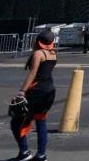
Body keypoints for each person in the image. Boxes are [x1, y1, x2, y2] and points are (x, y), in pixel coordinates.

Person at [11, 30, 57, 161]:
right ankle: (41, 155)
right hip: (50, 91)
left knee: (16, 122)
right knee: (41, 122)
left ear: (38, 41)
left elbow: (33, 74)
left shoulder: (38, 53)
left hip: (36, 91)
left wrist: (22, 91)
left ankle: (24, 152)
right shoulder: (53, 54)